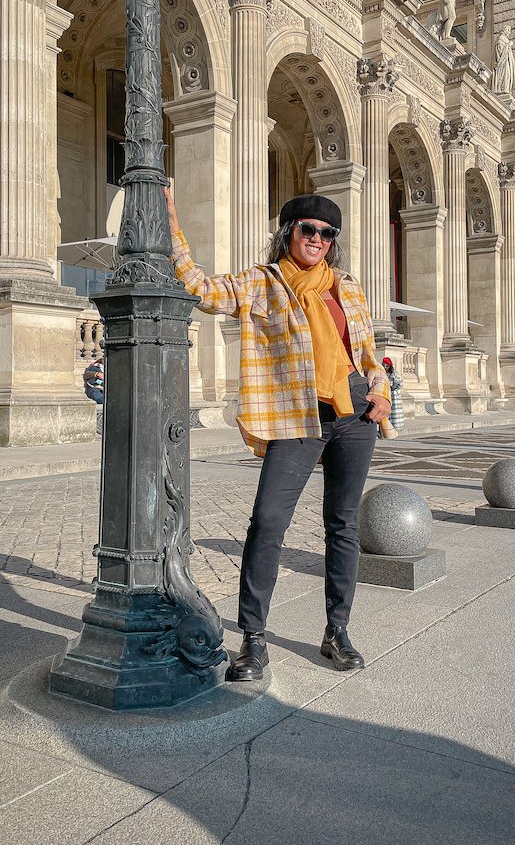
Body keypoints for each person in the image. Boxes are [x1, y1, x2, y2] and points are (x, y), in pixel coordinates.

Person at [165, 188, 391, 680]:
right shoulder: (262, 282)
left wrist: (382, 391)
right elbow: (202, 290)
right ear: (288, 233)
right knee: (268, 521)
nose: (317, 239)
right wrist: (171, 224)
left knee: (343, 525)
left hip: (354, 416)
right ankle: (254, 638)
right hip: (295, 415)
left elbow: (369, 355)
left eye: (326, 233)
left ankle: (337, 630)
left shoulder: (346, 286)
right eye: (307, 229)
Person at [382, 356, 405, 431]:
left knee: (394, 411)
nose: (385, 367)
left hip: (394, 395)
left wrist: (393, 386)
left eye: (387, 366)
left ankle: (394, 427)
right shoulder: (383, 373)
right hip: (386, 394)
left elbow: (400, 383)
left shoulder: (394, 374)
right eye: (384, 366)